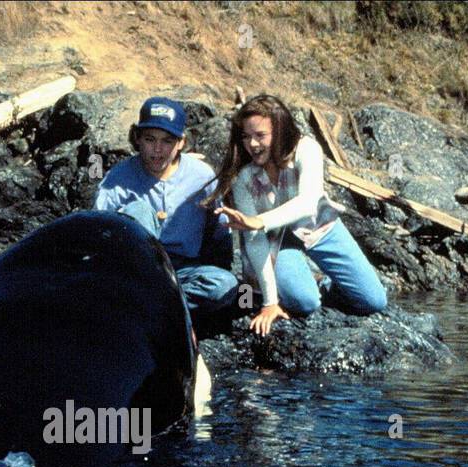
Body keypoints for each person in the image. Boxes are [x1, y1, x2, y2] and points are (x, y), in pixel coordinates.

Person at [211, 94, 388, 336]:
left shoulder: (307, 148)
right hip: (274, 239)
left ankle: (322, 283)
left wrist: (259, 221)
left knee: (374, 301)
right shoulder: (244, 178)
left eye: (260, 135)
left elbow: (308, 203)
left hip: (317, 225)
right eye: (245, 137)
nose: (252, 144)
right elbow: (253, 240)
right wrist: (270, 303)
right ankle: (278, 286)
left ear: (280, 131)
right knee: (305, 302)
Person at [95, 96, 239, 324]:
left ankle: (153, 308)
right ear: (137, 139)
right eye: (150, 139)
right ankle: (156, 306)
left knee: (225, 285)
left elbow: (219, 231)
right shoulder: (117, 179)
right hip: (135, 269)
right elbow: (98, 235)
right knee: (138, 212)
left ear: (181, 142)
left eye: (167, 141)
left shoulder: (202, 176)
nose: (157, 150)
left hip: (182, 272)